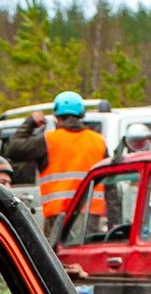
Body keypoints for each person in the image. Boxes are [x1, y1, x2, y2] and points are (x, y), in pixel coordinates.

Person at [37, 91, 107, 228]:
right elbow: (110, 183)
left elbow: (14, 148)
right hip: (90, 214)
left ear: (56, 115)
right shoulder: (98, 141)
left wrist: (30, 123)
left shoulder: (49, 140)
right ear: (81, 114)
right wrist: (114, 221)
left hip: (58, 214)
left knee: (53, 250)